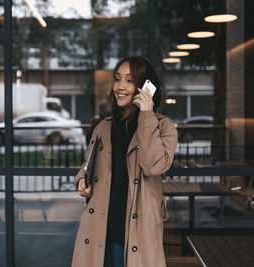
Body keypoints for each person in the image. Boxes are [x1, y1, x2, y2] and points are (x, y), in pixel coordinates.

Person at [71, 56, 178, 267]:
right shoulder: (104, 127)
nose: (120, 86)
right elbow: (86, 165)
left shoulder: (163, 127)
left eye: (129, 80)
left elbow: (153, 166)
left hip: (136, 234)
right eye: (117, 79)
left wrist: (147, 115)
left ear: (145, 87)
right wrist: (81, 180)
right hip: (100, 231)